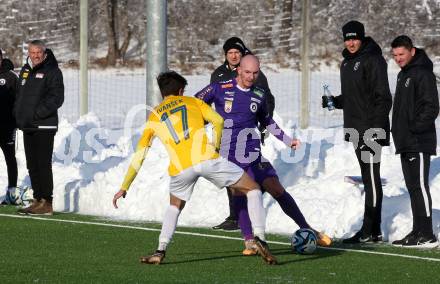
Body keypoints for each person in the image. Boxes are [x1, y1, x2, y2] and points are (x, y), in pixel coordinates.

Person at [113, 71, 277, 265]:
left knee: (174, 206)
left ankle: (160, 250)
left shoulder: (154, 116)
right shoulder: (192, 102)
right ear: (181, 90)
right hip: (207, 159)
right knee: (253, 189)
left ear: (162, 93)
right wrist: (216, 145)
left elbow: (140, 154)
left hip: (181, 168)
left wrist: (125, 186)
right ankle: (259, 237)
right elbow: (219, 121)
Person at [196, 54, 332, 255]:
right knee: (239, 195)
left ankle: (308, 228)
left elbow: (267, 121)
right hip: (229, 157)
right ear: (239, 70)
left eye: (255, 73)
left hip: (253, 154)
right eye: (248, 72)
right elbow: (194, 104)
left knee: (276, 189)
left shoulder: (259, 94)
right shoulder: (219, 88)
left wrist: (287, 140)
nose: (251, 77)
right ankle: (249, 241)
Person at [322, 21, 392, 244]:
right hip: (355, 130)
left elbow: (383, 98)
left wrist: (375, 128)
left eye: (354, 38)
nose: (351, 42)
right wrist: (334, 101)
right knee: (367, 179)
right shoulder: (347, 63)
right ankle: (373, 231)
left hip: (370, 130)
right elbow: (355, 98)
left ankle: (369, 230)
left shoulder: (373, 59)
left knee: (371, 180)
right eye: (347, 39)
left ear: (362, 38)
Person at [210, 37, 276, 231]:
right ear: (225, 55)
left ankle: (249, 208)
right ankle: (235, 215)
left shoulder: (253, 73)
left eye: (237, 52)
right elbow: (212, 101)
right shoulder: (218, 74)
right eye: (230, 52)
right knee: (229, 173)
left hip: (248, 132)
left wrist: (264, 123)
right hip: (226, 132)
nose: (234, 55)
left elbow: (266, 98)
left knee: (249, 169)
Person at [390, 35, 439, 248]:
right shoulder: (405, 74)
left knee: (419, 186)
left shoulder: (423, 74)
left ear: (412, 51)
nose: (398, 58)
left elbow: (432, 107)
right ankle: (417, 230)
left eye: (401, 54)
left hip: (418, 141)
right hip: (406, 142)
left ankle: (427, 232)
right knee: (412, 187)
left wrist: (413, 129)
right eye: (395, 55)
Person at [15, 40, 64, 215]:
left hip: (44, 125)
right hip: (28, 125)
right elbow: (20, 97)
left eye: (38, 52)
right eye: (32, 52)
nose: (35, 55)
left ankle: (47, 202)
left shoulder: (52, 71)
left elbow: (57, 98)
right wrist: (18, 115)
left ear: (44, 53)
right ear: (28, 53)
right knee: (32, 164)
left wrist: (37, 114)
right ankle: (37, 199)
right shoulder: (25, 70)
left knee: (43, 164)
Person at [0, 49, 18, 203]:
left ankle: (12, 193)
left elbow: (20, 101)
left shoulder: (11, 77)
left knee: (10, 159)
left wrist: (15, 122)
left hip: (7, 127)